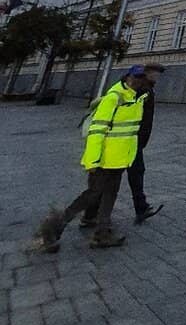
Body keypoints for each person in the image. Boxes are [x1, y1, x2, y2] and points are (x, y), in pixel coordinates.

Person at [34, 66, 151, 251]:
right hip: (104, 159)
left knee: (110, 195)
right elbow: (97, 131)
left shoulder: (136, 99)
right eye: (135, 77)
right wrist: (93, 160)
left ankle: (102, 234)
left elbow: (129, 132)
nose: (138, 81)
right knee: (92, 195)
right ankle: (55, 226)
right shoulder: (114, 98)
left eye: (141, 78)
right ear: (127, 78)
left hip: (120, 159)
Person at [81, 62, 164, 227]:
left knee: (131, 176)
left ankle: (137, 209)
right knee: (112, 181)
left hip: (131, 140)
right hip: (124, 142)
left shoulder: (144, 89)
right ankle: (87, 217)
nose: (157, 76)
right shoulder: (138, 90)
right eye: (155, 73)